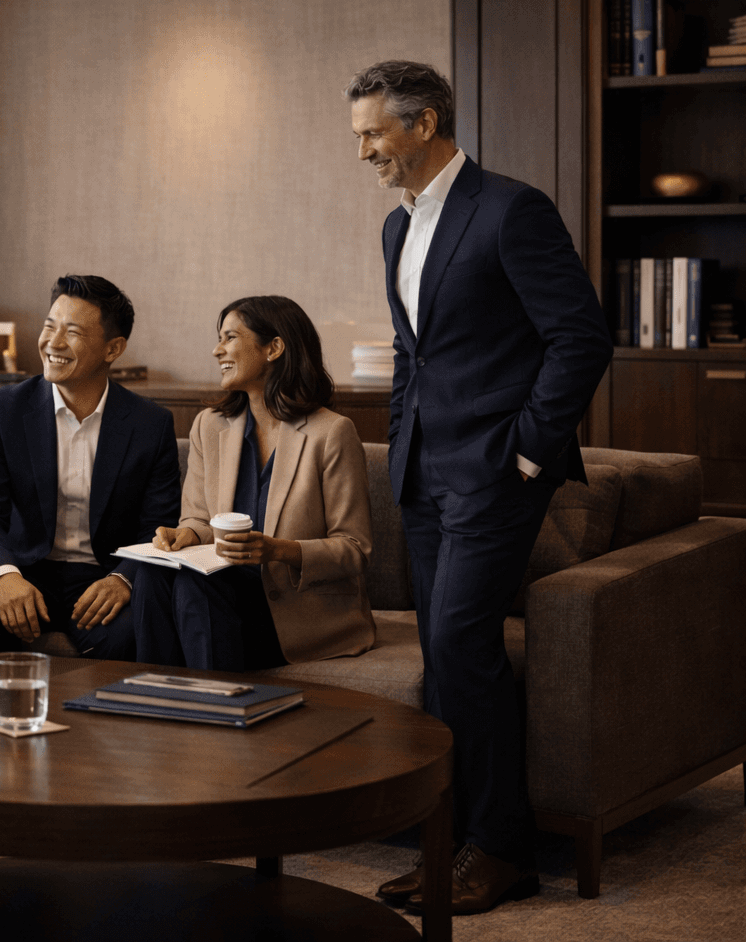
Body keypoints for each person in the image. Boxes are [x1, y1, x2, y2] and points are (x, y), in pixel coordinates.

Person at [346, 61, 612, 914]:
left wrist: (528, 452)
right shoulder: (396, 227)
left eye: (373, 133)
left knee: (462, 643)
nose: (363, 151)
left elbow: (581, 338)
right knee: (445, 653)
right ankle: (453, 842)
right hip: (424, 471)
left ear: (424, 123)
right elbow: (412, 355)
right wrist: (400, 447)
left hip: (497, 471)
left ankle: (502, 851)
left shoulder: (511, 209)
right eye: (359, 135)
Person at [132, 296, 374, 672]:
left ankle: (215, 702)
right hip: (226, 597)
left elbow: (355, 550)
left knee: (197, 586)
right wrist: (186, 535)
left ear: (273, 348)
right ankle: (155, 694)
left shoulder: (332, 433)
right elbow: (198, 519)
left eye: (230, 337)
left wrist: (278, 550)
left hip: (295, 613)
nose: (217, 350)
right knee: (152, 573)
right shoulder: (209, 425)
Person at [0, 274, 180, 659]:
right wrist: (5, 576)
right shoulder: (4, 409)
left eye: (72, 332)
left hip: (102, 573)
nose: (53, 343)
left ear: (113, 348)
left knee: (132, 632)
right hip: (24, 566)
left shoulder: (150, 424)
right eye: (49, 327)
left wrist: (123, 578)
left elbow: (158, 524)